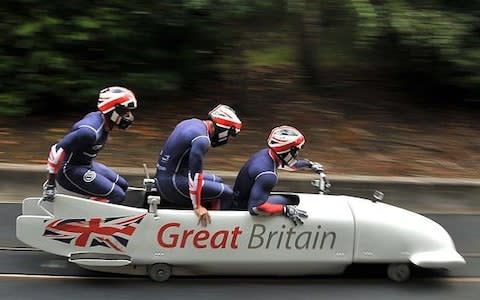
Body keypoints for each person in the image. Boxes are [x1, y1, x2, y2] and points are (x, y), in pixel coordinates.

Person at [42, 86, 138, 204]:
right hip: (70, 170)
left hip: (86, 165)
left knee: (123, 185)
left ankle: (92, 208)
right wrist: (50, 184)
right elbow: (57, 150)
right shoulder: (89, 133)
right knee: (117, 195)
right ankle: (98, 221)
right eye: (124, 111)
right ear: (111, 109)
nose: (128, 116)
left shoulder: (103, 121)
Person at [155, 104, 242, 227]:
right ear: (222, 128)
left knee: (218, 180)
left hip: (166, 177)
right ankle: (216, 232)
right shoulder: (202, 139)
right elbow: (195, 175)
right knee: (227, 193)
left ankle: (209, 215)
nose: (226, 138)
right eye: (228, 134)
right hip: (172, 184)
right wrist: (197, 206)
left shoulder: (192, 122)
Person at [232, 125, 324, 225]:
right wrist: (285, 210)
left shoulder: (266, 154)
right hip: (244, 206)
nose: (297, 154)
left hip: (240, 198)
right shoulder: (268, 175)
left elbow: (291, 165)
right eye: (295, 150)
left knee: (292, 199)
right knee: (291, 201)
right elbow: (255, 208)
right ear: (286, 151)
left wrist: (310, 164)